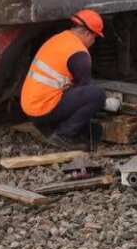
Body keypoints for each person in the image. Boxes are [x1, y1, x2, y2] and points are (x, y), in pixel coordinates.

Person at [20, 9, 106, 149]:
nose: (94, 42)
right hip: (43, 109)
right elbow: (85, 90)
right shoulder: (79, 54)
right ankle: (64, 135)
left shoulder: (60, 38)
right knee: (97, 95)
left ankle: (48, 127)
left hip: (30, 107)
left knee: (77, 94)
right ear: (87, 34)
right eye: (95, 37)